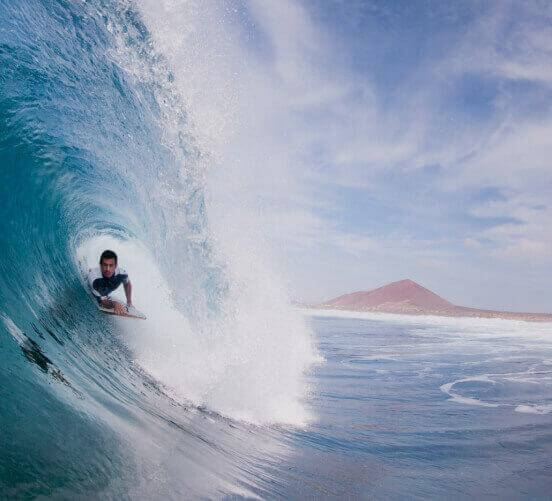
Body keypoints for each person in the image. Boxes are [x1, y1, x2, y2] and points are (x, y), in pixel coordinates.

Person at [87, 250, 132, 316]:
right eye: (105, 265)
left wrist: (129, 301)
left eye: (111, 265)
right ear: (101, 265)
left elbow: (127, 284)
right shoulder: (95, 281)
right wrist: (115, 304)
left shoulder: (122, 273)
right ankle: (89, 271)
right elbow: (103, 302)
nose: (108, 269)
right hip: (94, 291)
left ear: (116, 266)